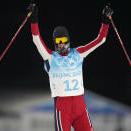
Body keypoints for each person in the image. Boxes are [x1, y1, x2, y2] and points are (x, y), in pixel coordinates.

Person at [27, 3, 113, 131]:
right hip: (63, 107)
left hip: (80, 105)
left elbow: (100, 39)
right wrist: (34, 19)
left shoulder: (78, 53)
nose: (60, 44)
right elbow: (36, 39)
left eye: (62, 40)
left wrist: (105, 20)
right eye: (57, 41)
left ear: (67, 39)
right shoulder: (50, 57)